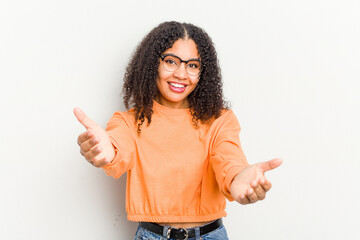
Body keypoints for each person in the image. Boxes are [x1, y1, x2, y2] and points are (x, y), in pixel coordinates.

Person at [74, 21, 282, 240]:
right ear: (151, 64)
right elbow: (117, 149)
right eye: (171, 62)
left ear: (203, 72)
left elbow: (228, 159)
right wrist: (105, 152)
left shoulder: (220, 120)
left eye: (193, 65)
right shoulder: (129, 122)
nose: (182, 74)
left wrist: (238, 178)